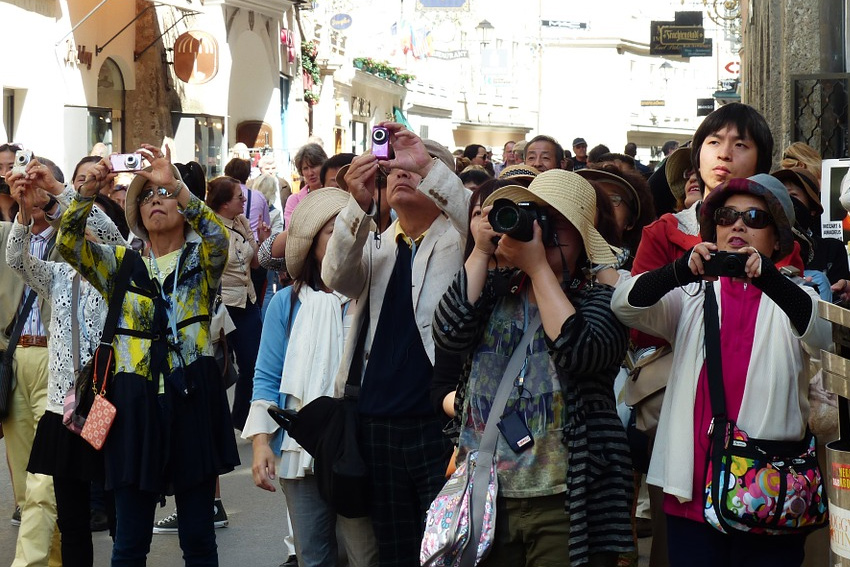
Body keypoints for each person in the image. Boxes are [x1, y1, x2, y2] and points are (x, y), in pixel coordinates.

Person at [612, 174, 831, 567]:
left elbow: (823, 332)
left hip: (767, 490)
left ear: (777, 239)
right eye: (727, 216)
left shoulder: (796, 295)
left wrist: (768, 278)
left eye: (754, 218)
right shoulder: (692, 295)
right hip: (691, 489)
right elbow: (624, 304)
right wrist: (678, 271)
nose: (739, 225)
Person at [433, 169, 633, 566]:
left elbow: (580, 351)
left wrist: (540, 269)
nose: (538, 231)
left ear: (582, 236)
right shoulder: (497, 290)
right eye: (535, 217)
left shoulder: (602, 298)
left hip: (565, 498)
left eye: (553, 223)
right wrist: (480, 251)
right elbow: (449, 335)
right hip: (486, 491)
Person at [57, 147, 240, 566]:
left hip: (192, 396)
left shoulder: (201, 261)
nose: (156, 199)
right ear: (137, 213)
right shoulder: (120, 264)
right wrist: (84, 192)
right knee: (130, 541)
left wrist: (176, 182)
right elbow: (68, 244)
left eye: (163, 193)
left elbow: (217, 235)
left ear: (180, 203)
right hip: (132, 403)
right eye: (146, 195)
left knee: (197, 536)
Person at [322, 124, 468, 567]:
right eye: (394, 170)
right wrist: (358, 203)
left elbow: (469, 213)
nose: (400, 174)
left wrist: (424, 163)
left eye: (417, 169)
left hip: (438, 424)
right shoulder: (378, 243)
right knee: (395, 552)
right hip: (376, 424)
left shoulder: (460, 239)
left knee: (444, 548)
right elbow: (334, 277)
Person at [244, 188, 377, 567]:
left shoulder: (372, 296)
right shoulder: (286, 304)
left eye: (350, 231)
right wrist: (260, 444)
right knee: (313, 558)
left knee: (364, 556)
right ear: (313, 244)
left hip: (358, 447)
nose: (341, 240)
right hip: (299, 448)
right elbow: (266, 377)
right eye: (331, 232)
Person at [7, 178, 127, 566]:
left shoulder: (118, 272)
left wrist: (60, 192)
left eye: (86, 226)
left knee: (118, 512)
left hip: (106, 406)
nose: (80, 234)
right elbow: (16, 260)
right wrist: (25, 214)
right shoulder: (57, 276)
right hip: (65, 410)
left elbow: (105, 230)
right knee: (73, 517)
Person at [1, 155, 66, 567]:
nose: (33, 192)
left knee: (46, 483)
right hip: (13, 360)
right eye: (27, 185)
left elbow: (107, 235)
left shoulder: (74, 237)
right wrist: (18, 208)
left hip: (58, 362)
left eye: (43, 184)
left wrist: (61, 199)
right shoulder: (9, 236)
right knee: (28, 489)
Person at [285, 143, 328, 225]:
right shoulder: (294, 200)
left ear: (323, 165)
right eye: (305, 168)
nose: (310, 173)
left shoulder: (334, 194)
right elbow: (290, 231)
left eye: (313, 166)